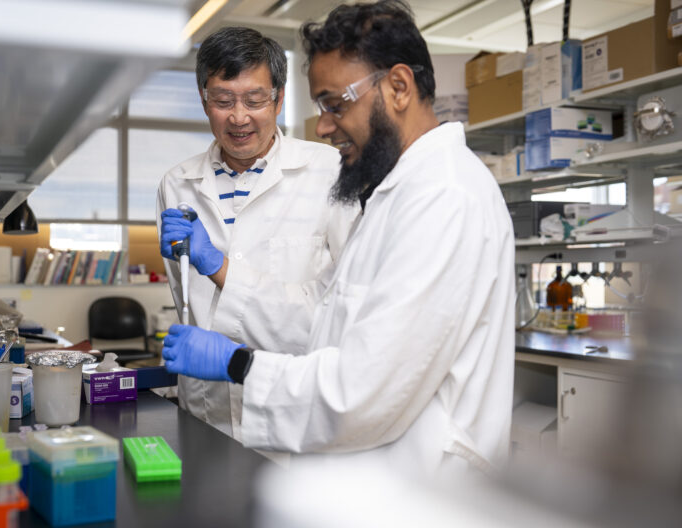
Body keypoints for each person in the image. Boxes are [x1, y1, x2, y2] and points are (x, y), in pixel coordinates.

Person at [162, 0, 515, 479]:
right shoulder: (395, 193)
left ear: (398, 87)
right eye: (223, 101)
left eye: (335, 104)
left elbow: (364, 392)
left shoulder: (444, 198)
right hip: (360, 469)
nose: (324, 126)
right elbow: (326, 322)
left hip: (422, 486)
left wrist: (239, 363)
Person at [156, 27, 358, 440]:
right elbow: (186, 300)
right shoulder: (176, 184)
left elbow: (339, 314)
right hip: (205, 411)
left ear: (279, 99)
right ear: (203, 99)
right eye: (223, 100)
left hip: (294, 414)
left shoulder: (330, 172)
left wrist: (219, 267)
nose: (239, 117)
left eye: (254, 99)